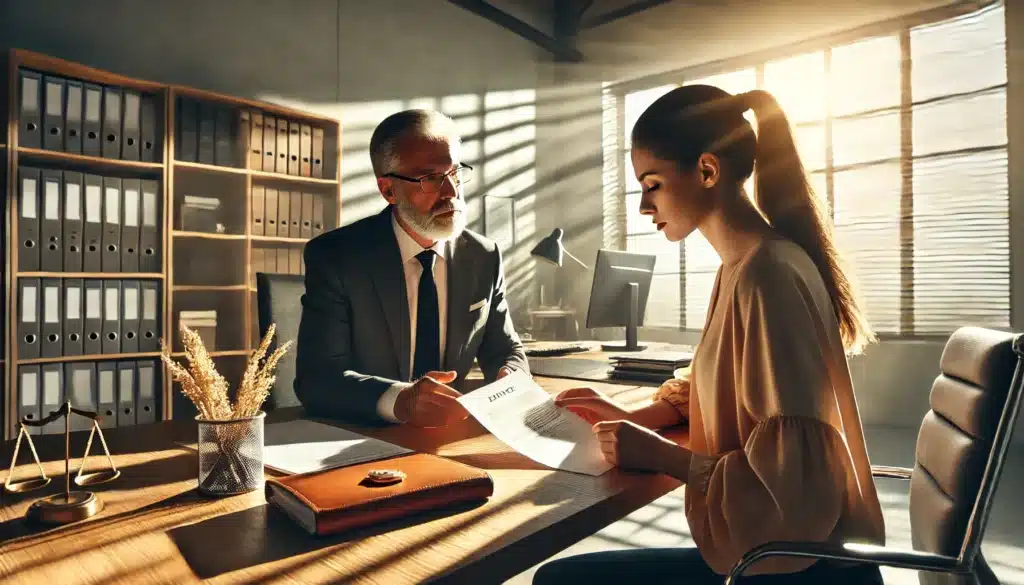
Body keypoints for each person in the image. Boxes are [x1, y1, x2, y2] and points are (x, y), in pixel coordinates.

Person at [534, 85, 887, 584]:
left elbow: (788, 499)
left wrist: (662, 455)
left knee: (558, 581)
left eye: (652, 184)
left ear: (706, 171)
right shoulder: (744, 265)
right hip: (798, 560)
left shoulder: (767, 274)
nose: (642, 207)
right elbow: (730, 390)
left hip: (798, 571)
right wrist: (635, 417)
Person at [294, 109, 528, 427]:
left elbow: (505, 348)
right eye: (431, 179)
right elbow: (318, 380)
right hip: (364, 439)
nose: (452, 193)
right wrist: (400, 401)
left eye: (455, 174)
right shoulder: (337, 257)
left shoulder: (483, 256)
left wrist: (510, 376)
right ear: (388, 190)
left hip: (447, 436)